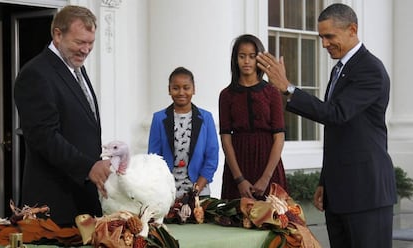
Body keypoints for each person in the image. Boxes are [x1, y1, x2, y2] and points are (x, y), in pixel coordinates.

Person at [256, 3, 397, 248]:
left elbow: (336, 114)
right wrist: (325, 182)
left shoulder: (370, 70)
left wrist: (288, 88)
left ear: (352, 29)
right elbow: (338, 132)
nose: (323, 44)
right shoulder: (340, 70)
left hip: (366, 193)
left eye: (329, 36)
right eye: (321, 37)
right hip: (340, 193)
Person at [14, 5, 111, 227]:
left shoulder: (76, 67)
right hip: (54, 205)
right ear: (57, 34)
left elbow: (79, 127)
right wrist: (88, 167)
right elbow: (44, 136)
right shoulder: (35, 74)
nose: (86, 50)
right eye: (79, 42)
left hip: (82, 201)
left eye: (90, 43)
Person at [219, 34, 287, 201]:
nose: (247, 61)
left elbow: (279, 137)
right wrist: (239, 179)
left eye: (252, 56)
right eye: (242, 56)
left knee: (273, 219)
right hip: (238, 162)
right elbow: (226, 138)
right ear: (235, 59)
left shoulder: (272, 92)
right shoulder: (226, 95)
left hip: (268, 162)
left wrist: (266, 179)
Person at [148, 66, 219, 199]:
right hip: (167, 193)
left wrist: (196, 190)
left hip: (199, 192)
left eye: (186, 88)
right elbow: (153, 158)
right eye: (176, 88)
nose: (181, 92)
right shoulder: (158, 119)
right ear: (169, 90)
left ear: (194, 89)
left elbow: (212, 158)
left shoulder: (206, 118)